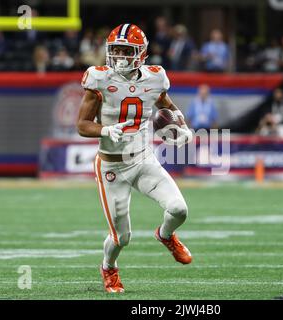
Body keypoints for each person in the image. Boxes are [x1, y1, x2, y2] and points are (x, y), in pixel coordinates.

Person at [77, 23, 193, 293]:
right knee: (121, 238)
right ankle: (109, 268)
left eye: (125, 50)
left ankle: (165, 235)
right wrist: (105, 129)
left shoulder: (155, 78)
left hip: (142, 160)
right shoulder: (99, 79)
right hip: (111, 167)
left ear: (140, 53)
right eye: (114, 50)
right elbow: (82, 124)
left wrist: (181, 125)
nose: (118, 56)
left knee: (179, 210)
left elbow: (165, 103)